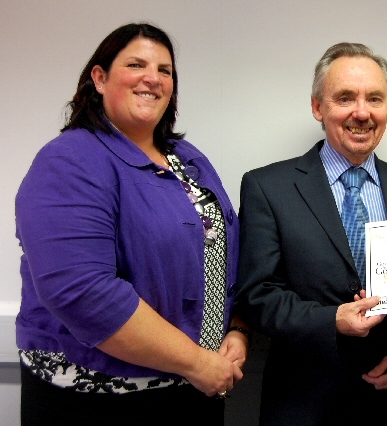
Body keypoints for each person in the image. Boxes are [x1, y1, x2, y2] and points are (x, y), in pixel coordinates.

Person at [15, 23, 250, 425]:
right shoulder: (68, 161)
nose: (152, 78)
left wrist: (238, 331)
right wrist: (196, 362)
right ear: (100, 78)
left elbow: (226, 256)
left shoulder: (188, 159)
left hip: (197, 387)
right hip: (99, 399)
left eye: (165, 70)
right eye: (136, 64)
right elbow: (83, 292)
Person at [234, 42, 387, 426]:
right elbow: (257, 294)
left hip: (386, 405)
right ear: (318, 107)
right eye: (345, 97)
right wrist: (332, 320)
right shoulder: (268, 187)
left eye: (374, 99)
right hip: (301, 404)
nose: (361, 112)